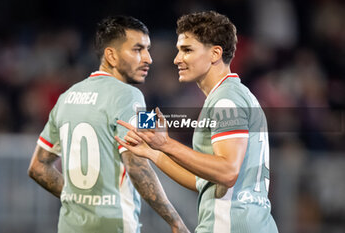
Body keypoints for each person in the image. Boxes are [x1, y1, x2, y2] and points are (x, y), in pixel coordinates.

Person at [115, 11, 279, 233]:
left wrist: (166, 144)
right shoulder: (233, 95)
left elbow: (227, 172)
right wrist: (154, 152)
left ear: (215, 53)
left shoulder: (226, 99)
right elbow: (203, 181)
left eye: (187, 50)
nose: (177, 59)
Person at [28, 15, 189, 233]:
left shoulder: (67, 96)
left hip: (70, 226)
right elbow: (137, 166)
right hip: (115, 225)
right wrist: (175, 221)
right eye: (137, 49)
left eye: (148, 49)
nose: (148, 58)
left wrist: (79, 199)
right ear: (111, 56)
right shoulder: (129, 95)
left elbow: (38, 168)